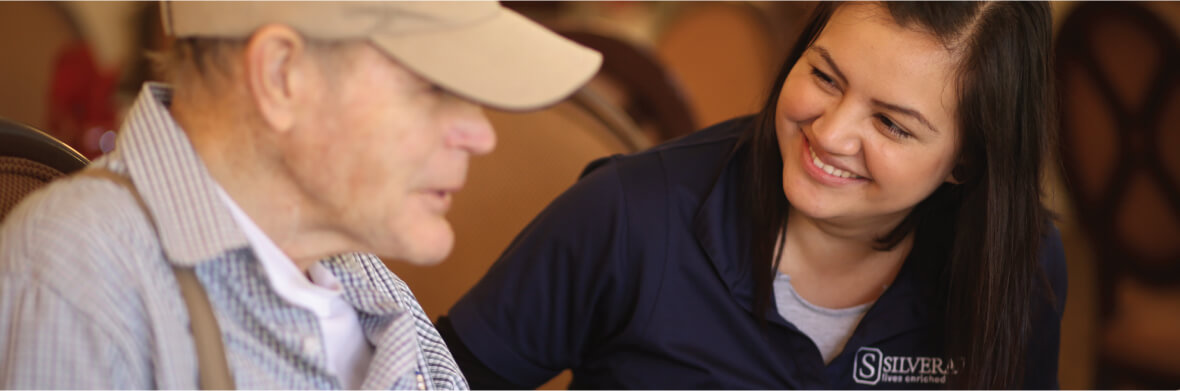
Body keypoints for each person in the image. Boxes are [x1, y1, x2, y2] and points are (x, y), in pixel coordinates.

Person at [439, 2, 1066, 389]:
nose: (830, 132)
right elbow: (436, 380)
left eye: (891, 124)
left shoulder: (1018, 263)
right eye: (824, 76)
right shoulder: (629, 214)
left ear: (966, 161)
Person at [0, 1, 600, 389]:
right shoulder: (83, 277)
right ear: (282, 75)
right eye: (434, 85)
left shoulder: (363, 280)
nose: (482, 133)